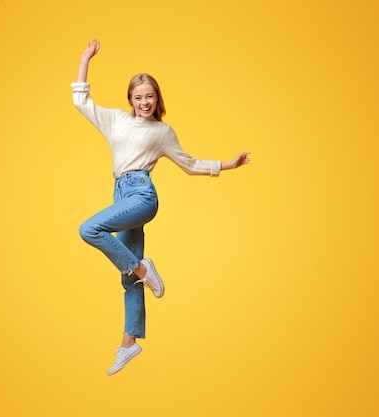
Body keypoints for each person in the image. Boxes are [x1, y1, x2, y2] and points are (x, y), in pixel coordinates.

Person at [71, 39, 250, 376]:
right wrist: (84, 58)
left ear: (157, 99)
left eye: (149, 96)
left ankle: (143, 268)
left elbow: (191, 163)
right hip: (121, 194)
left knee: (89, 229)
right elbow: (81, 100)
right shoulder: (115, 121)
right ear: (130, 100)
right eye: (138, 97)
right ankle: (129, 342)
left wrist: (228, 164)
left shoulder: (162, 131)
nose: (144, 102)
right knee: (130, 279)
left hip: (142, 194)